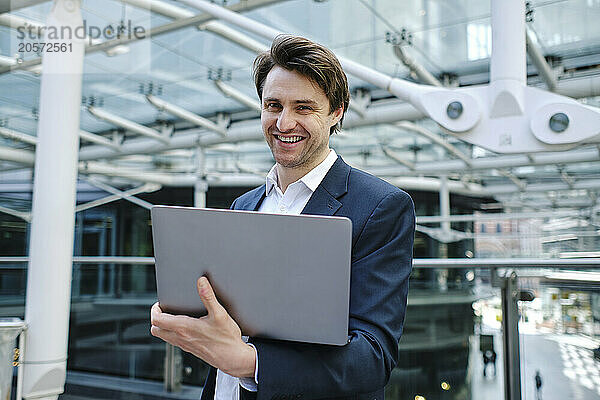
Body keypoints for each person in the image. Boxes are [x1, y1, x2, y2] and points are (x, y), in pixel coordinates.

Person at [150, 35, 415, 400]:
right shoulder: (244, 206)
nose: (284, 122)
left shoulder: (380, 206)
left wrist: (249, 362)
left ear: (336, 112)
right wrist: (185, 317)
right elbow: (229, 324)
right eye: (273, 105)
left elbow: (373, 357)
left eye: (303, 108)